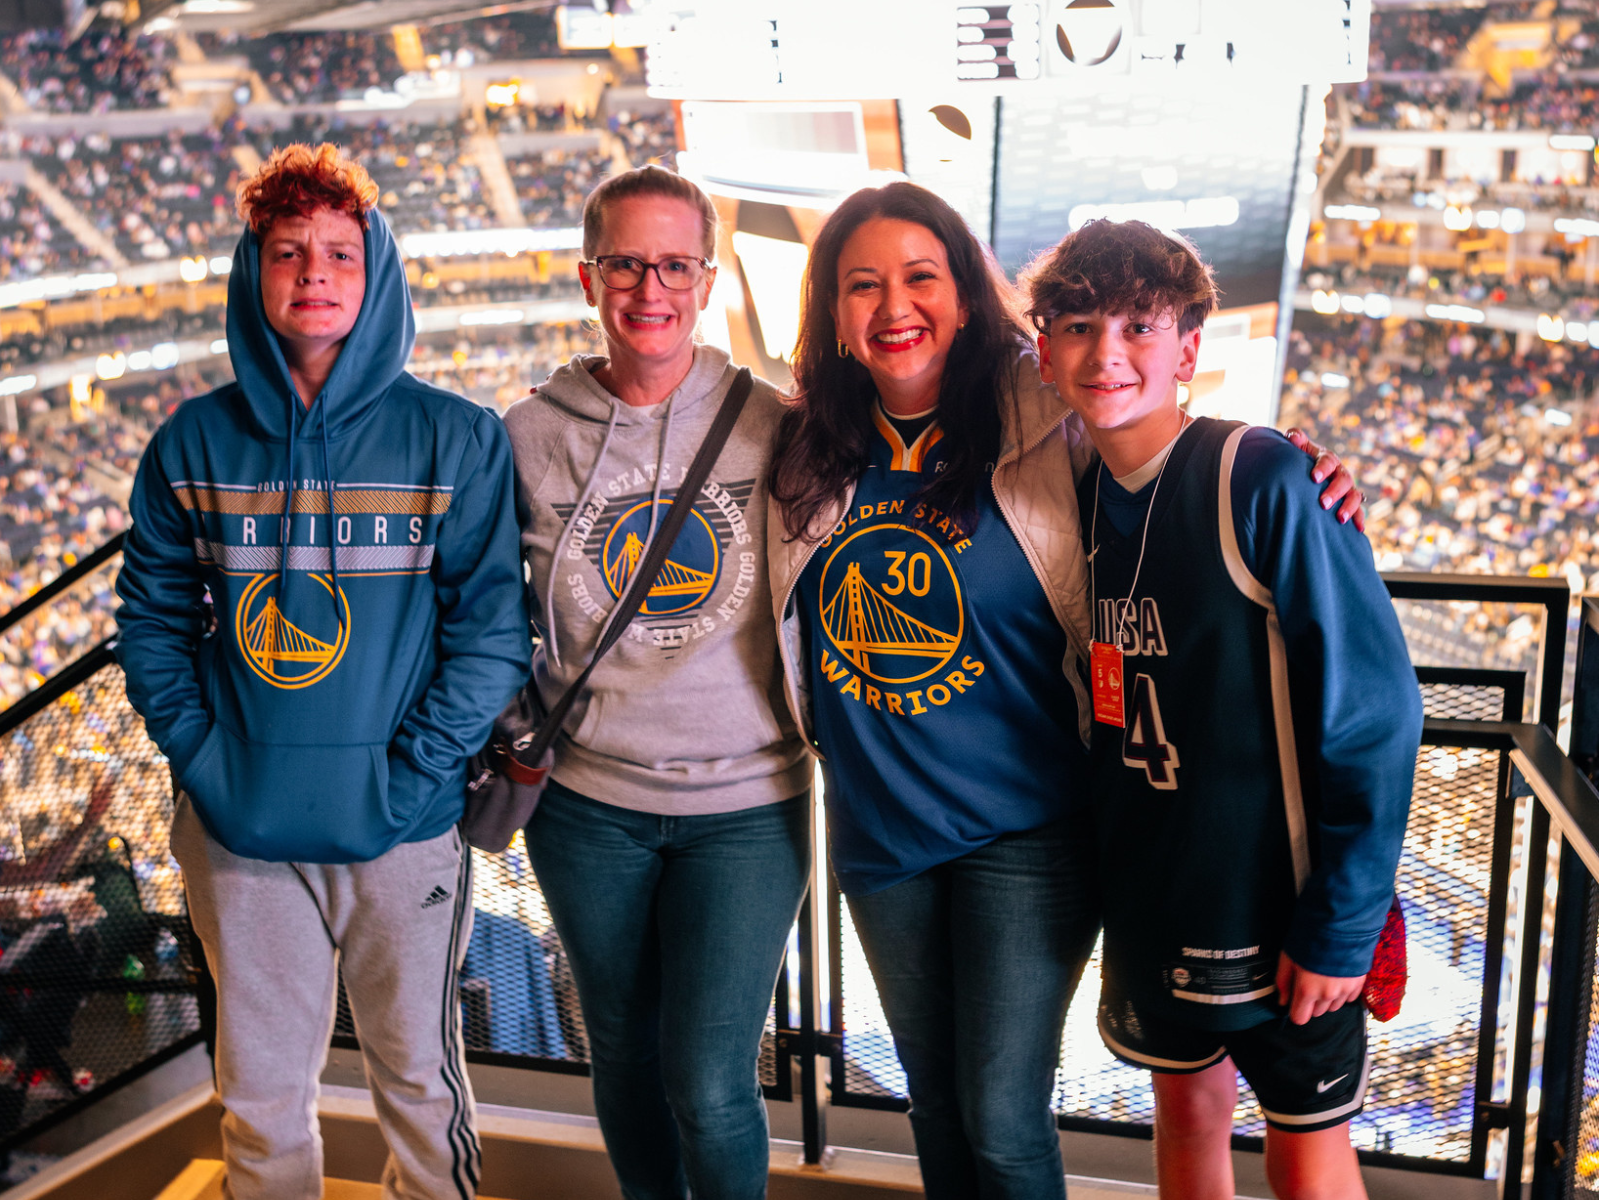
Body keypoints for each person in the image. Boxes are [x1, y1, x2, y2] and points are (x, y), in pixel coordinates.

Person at [765, 181, 1363, 1199]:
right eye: (861, 284)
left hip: (1029, 830)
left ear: (965, 297)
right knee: (938, 1103)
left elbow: (1157, 431)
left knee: (1001, 1112)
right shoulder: (798, 445)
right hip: (880, 835)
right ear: (830, 310)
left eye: (920, 276)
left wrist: (1295, 463)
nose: (893, 304)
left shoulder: (1045, 415)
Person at [115, 143, 529, 1200]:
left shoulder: (458, 439)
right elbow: (151, 626)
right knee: (257, 1102)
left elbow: (492, 634)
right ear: (254, 273)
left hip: (404, 829)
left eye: (341, 252)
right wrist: (206, 760)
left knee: (422, 1090)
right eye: (290, 251)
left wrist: (411, 774)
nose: (315, 273)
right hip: (241, 834)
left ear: (375, 270)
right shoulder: (190, 443)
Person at [1024, 218, 1422, 1200]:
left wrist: (1341, 922)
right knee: (1188, 1123)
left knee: (1308, 1148)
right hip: (1155, 895)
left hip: (1277, 909)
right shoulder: (1069, 493)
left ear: (1190, 348)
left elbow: (1373, 716)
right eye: (1076, 327)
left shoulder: (1265, 476)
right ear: (1042, 348)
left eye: (1138, 328)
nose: (1105, 353)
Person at [502, 164, 812, 1200]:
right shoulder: (527, 439)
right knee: (625, 1057)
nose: (650, 288)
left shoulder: (777, 428)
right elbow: (481, 607)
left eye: (674, 264)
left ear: (708, 280)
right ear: (590, 279)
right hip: (588, 810)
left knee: (712, 1081)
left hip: (749, 808)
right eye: (627, 263)